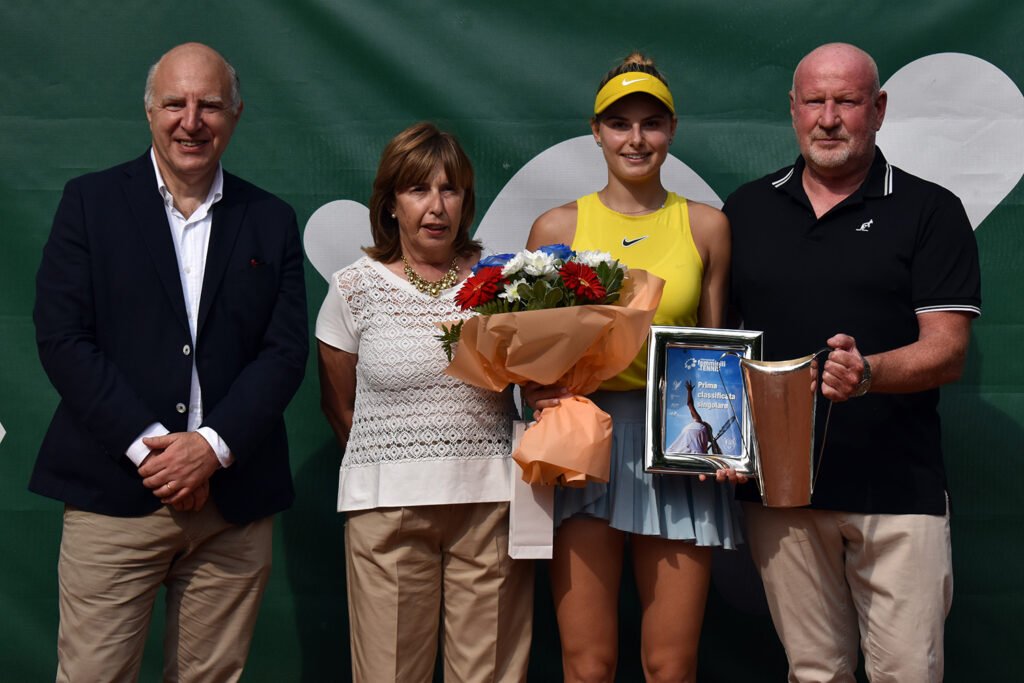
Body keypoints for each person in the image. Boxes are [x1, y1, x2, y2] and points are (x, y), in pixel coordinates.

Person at [30, 42, 308, 681]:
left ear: (235, 114)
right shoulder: (88, 204)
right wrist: (156, 449)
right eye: (175, 104)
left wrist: (211, 447)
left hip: (231, 507)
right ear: (149, 113)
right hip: (112, 496)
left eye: (209, 104)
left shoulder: (270, 219)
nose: (192, 120)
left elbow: (284, 350)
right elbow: (63, 338)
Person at [724, 43, 981, 682]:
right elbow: (717, 346)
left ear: (879, 109)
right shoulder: (746, 211)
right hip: (781, 495)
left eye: (847, 101)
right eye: (815, 101)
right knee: (815, 673)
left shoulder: (931, 210)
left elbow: (947, 349)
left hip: (898, 490)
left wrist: (869, 375)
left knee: (907, 673)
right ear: (793, 110)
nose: (830, 118)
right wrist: (718, 448)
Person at [525, 53, 742, 682]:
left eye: (651, 123)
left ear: (672, 130)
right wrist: (535, 388)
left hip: (680, 444)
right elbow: (533, 354)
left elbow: (713, 350)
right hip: (583, 443)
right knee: (587, 665)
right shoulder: (557, 227)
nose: (636, 138)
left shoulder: (708, 227)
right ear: (595, 131)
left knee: (670, 665)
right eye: (619, 123)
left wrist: (724, 445)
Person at [316, 122, 533, 682]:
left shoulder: (504, 284)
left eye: (449, 189)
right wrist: (401, 468)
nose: (435, 207)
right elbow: (339, 407)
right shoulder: (352, 289)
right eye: (417, 190)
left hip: (491, 512)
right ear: (390, 204)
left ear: (465, 200)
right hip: (387, 515)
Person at [667, 380, 721, 455]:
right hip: (689, 457)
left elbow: (690, 404)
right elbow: (717, 454)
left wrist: (689, 391)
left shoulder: (698, 422)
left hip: (675, 454)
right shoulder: (700, 425)